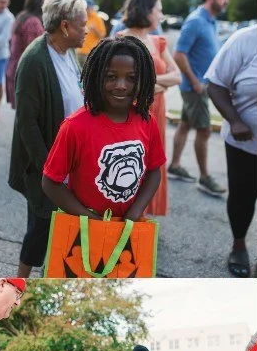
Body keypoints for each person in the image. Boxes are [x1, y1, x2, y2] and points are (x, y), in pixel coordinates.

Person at [42, 35, 165, 223]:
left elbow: (154, 171)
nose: (121, 85)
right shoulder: (75, 126)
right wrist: (89, 218)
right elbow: (50, 183)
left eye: (131, 78)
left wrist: (135, 211)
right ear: (96, 76)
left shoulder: (147, 122)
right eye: (111, 77)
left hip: (128, 228)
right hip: (84, 229)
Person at [8, 0, 88, 277]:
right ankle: (19, 282)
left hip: (69, 159)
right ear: (65, 26)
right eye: (82, 25)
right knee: (40, 226)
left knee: (61, 230)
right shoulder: (35, 61)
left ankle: (50, 277)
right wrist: (49, 172)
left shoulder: (68, 53)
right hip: (45, 164)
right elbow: (26, 124)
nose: (87, 31)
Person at [118, 0, 182, 217]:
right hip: (134, 112)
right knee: (131, 162)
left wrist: (150, 82)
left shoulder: (158, 42)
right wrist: (156, 85)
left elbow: (177, 76)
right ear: (146, 10)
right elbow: (127, 85)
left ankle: (144, 216)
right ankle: (128, 214)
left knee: (153, 162)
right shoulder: (122, 41)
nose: (162, 15)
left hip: (157, 111)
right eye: (159, 10)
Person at [167, 0, 231, 197]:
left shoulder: (211, 21)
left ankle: (175, 165)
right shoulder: (195, 21)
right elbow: (179, 54)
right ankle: (204, 178)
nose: (226, 1)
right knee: (203, 130)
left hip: (200, 86)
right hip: (194, 88)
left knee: (185, 125)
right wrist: (195, 82)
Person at [206, 23, 257, 277]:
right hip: (246, 143)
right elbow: (216, 85)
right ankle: (239, 244)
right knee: (243, 197)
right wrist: (235, 120)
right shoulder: (246, 40)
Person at [5, 0, 45, 110]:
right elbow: (34, 49)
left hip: (14, 66)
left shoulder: (21, 16)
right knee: (26, 112)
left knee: (20, 113)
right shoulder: (32, 22)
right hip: (24, 70)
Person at [77, 0, 106, 67]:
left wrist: (95, 30)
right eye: (85, 8)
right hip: (79, 51)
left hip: (90, 52)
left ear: (92, 8)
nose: (87, 9)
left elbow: (102, 36)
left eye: (88, 8)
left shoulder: (98, 19)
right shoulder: (81, 17)